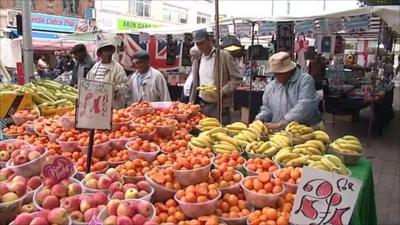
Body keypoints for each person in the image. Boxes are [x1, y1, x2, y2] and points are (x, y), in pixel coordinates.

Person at [255, 51, 322, 130]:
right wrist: (260, 118)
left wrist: (282, 123)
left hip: (305, 131)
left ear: (288, 71)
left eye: (278, 73)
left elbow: (304, 106)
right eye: (274, 73)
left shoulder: (305, 81)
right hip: (280, 134)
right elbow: (267, 109)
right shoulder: (271, 87)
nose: (275, 76)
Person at [189, 30, 242, 124]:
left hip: (219, 106)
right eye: (197, 44)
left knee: (220, 132)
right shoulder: (198, 58)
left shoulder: (223, 56)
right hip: (202, 104)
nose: (200, 46)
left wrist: (223, 91)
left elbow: (237, 78)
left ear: (209, 41)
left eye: (202, 43)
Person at [86, 40, 128, 109]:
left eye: (109, 51)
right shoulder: (95, 67)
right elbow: (88, 83)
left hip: (113, 105)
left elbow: (125, 87)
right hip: (96, 105)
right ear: (100, 53)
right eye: (105, 51)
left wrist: (115, 89)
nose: (108, 53)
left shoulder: (117, 67)